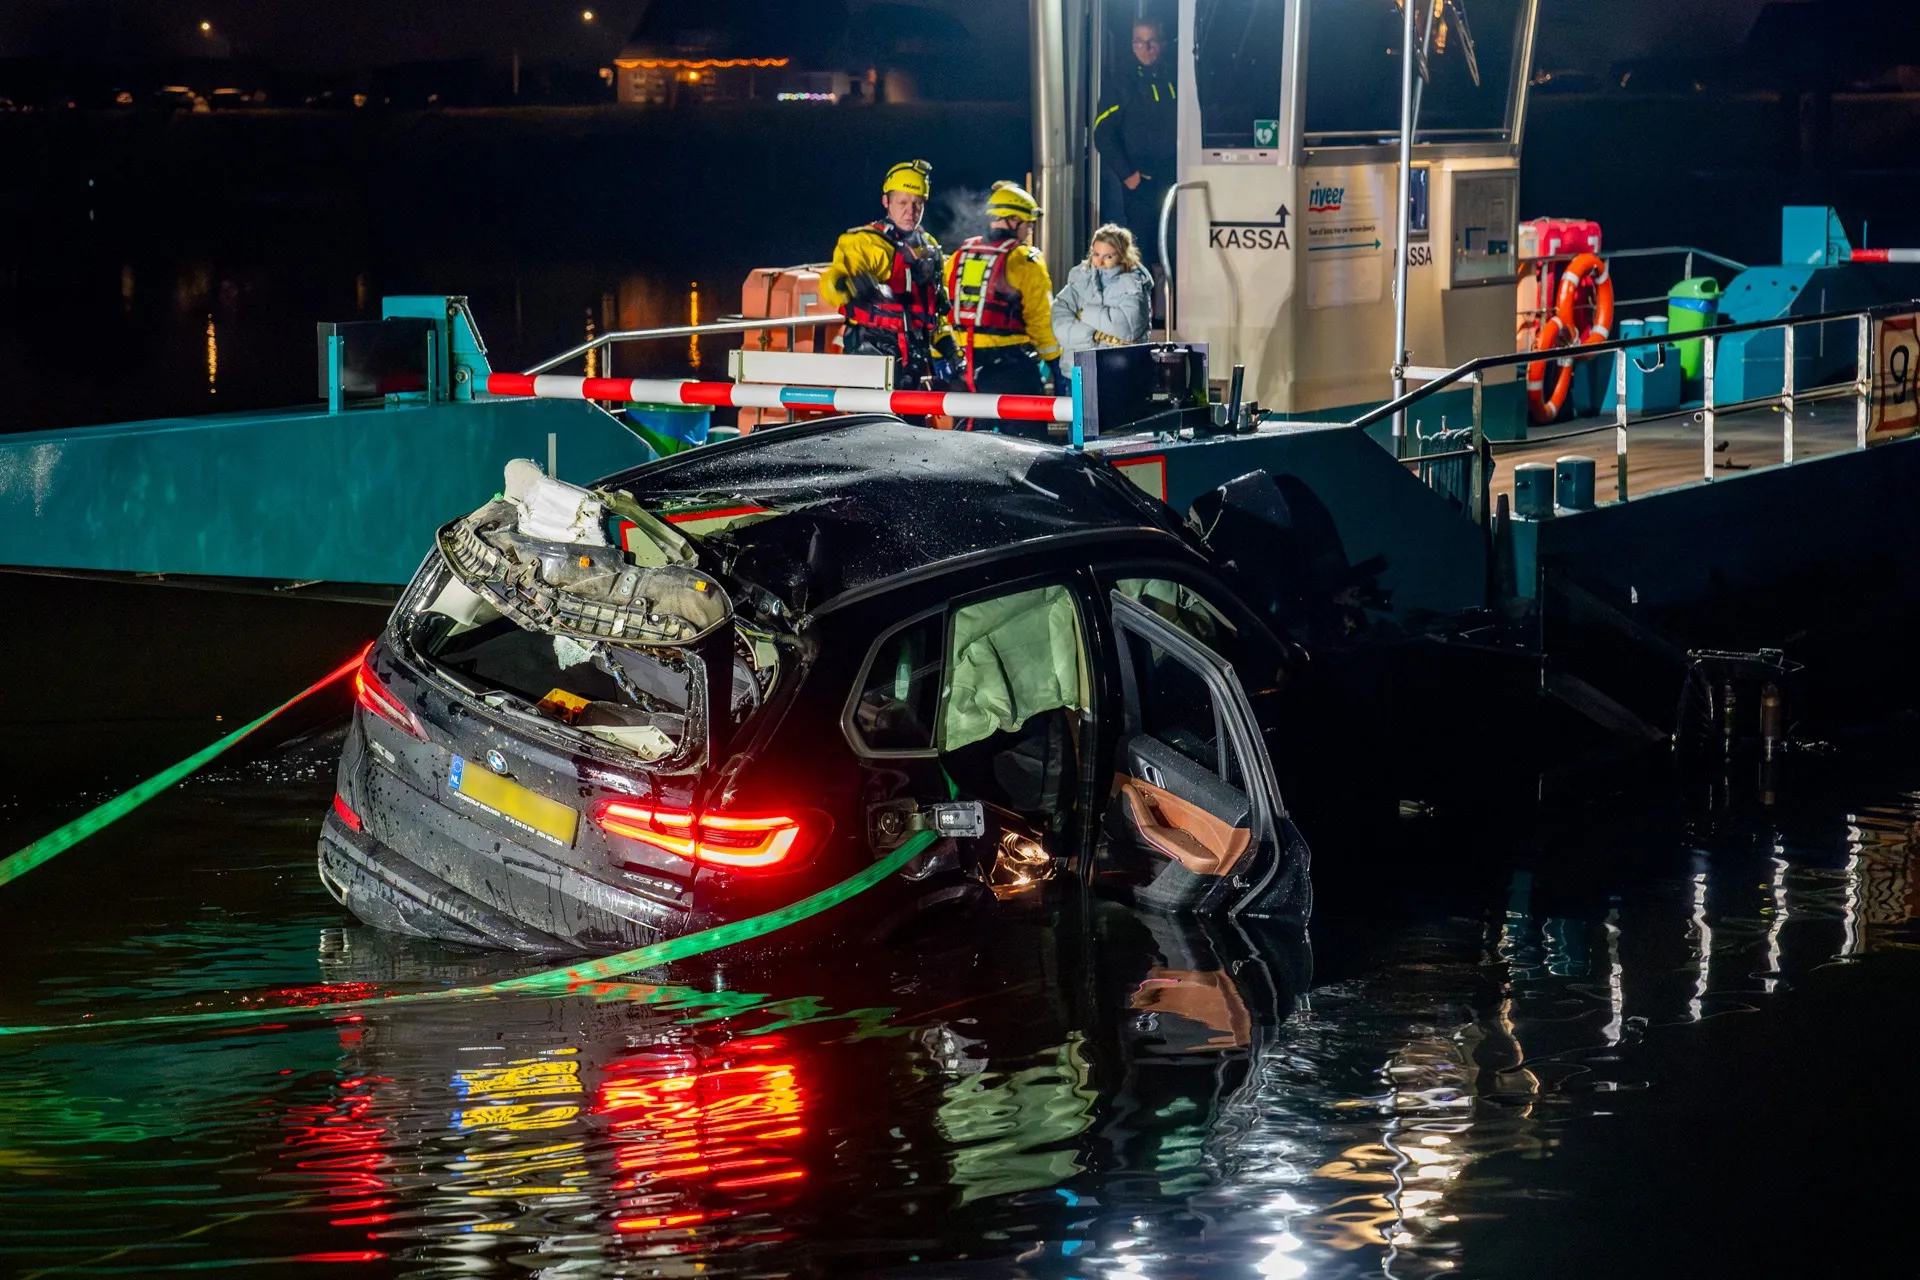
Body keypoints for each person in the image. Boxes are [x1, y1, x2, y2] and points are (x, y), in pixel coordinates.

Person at [819, 159, 958, 391]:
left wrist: (953, 352)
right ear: (886, 201)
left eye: (917, 203)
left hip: (915, 356)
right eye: (902, 202)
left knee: (913, 424)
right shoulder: (865, 242)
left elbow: (936, 312)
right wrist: (850, 284)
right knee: (875, 424)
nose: (910, 211)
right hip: (872, 352)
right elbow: (831, 285)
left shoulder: (930, 247)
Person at [945, 181, 1063, 438]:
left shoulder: (961, 254)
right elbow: (1041, 319)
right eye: (1027, 224)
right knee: (1031, 447)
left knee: (965, 447)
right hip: (1010, 371)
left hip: (964, 371)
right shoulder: (1025, 260)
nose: (1029, 230)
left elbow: (944, 305)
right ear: (1012, 220)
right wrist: (1056, 365)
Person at [1094, 18, 1177, 273]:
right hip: (1141, 187)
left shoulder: (1176, 75)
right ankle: (1143, 312)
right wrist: (1129, 175)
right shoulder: (1121, 82)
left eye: (1152, 41)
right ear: (1132, 45)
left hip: (1176, 182)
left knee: (1179, 253)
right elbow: (1102, 134)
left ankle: (1178, 311)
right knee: (1141, 259)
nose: (1146, 48)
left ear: (1162, 44)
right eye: (1139, 42)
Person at [1051, 224, 1153, 359]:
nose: (1100, 261)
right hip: (1076, 367)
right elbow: (1059, 319)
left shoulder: (1133, 285)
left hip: (1118, 368)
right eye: (1096, 254)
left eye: (1108, 256)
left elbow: (1128, 327)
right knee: (1075, 380)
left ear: (1122, 256)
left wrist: (1084, 314)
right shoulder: (1080, 279)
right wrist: (1094, 335)